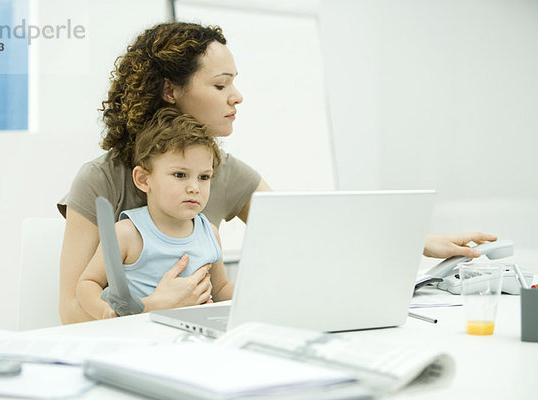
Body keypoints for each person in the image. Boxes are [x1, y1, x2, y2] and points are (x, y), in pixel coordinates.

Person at [58, 21, 497, 324]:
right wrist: (147, 310)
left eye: (234, 82)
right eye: (220, 84)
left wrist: (417, 240)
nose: (238, 96)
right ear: (170, 91)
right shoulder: (100, 179)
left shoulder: (227, 173)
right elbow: (69, 310)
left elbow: (307, 230)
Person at [77, 108, 233, 319]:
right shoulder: (126, 234)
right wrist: (105, 312)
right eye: (180, 175)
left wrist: (253, 296)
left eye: (204, 177)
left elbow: (221, 289)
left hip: (193, 339)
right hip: (140, 339)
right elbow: (88, 283)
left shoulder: (210, 233)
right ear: (143, 179)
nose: (195, 187)